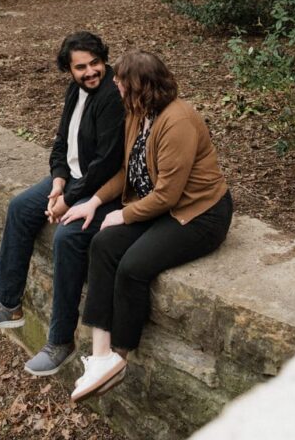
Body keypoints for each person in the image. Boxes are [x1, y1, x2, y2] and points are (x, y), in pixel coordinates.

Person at [62, 49, 232, 402]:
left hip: (198, 214)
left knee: (133, 266)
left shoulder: (178, 120)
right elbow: (128, 170)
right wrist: (93, 203)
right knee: (103, 244)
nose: (115, 84)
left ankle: (119, 359)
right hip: (158, 207)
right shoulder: (137, 115)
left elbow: (169, 195)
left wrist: (121, 214)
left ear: (138, 86)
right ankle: (100, 355)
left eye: (121, 80)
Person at [0, 31, 125, 376]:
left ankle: (60, 341)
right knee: (21, 207)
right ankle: (7, 305)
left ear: (104, 60)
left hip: (100, 186)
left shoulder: (112, 96)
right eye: (81, 67)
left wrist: (67, 200)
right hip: (71, 179)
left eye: (96, 63)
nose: (90, 72)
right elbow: (60, 143)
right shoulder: (76, 90)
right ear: (69, 70)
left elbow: (108, 163)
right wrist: (57, 182)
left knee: (67, 238)